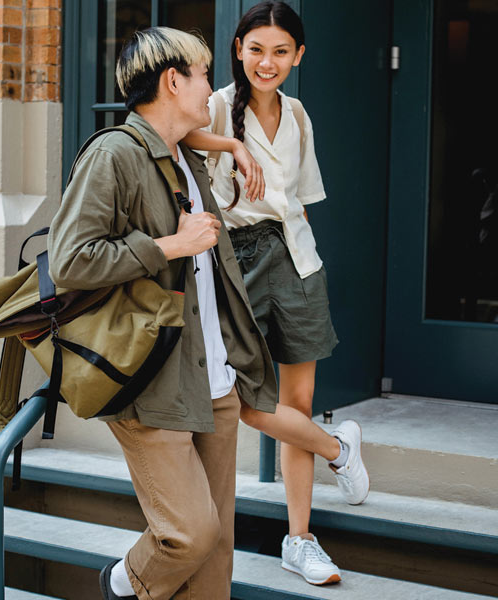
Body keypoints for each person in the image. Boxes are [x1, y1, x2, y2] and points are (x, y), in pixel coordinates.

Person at [47, 26, 278, 600]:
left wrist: (229, 146)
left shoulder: (183, 154)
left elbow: (211, 272)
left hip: (213, 377)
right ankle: (125, 582)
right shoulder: (113, 154)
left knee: (217, 545)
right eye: (202, 75)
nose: (210, 87)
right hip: (150, 378)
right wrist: (167, 246)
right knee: (189, 535)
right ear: (173, 81)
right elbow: (70, 261)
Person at [183, 1, 370, 586]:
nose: (268, 62)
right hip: (234, 263)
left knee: (296, 402)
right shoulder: (213, 103)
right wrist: (232, 147)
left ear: (298, 55)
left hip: (295, 257)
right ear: (238, 48)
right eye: (256, 49)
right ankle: (337, 448)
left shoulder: (298, 113)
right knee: (242, 401)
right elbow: (174, 132)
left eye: (281, 51)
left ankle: (300, 539)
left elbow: (302, 201)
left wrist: (307, 266)